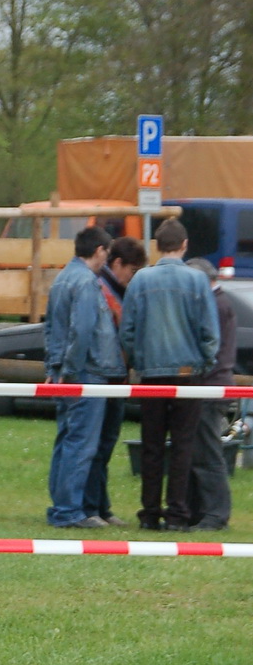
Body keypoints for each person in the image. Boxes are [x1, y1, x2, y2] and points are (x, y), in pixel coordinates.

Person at [119, 217, 219, 530]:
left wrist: (138, 360)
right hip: (187, 373)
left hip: (151, 373)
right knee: (182, 445)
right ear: (185, 245)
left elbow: (128, 331)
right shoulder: (198, 281)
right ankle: (177, 513)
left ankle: (149, 511)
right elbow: (209, 333)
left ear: (157, 246)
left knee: (151, 445)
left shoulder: (140, 281)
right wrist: (205, 362)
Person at [42, 225, 124, 529]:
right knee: (81, 444)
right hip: (87, 375)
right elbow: (83, 330)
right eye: (107, 252)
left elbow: (50, 329)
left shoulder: (62, 278)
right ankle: (68, 511)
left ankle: (62, 505)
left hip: (66, 374)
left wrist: (55, 369)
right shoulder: (88, 282)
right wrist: (73, 372)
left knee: (66, 441)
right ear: (100, 250)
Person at [83, 235, 147, 525]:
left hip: (116, 376)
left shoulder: (115, 288)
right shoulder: (102, 288)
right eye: (131, 271)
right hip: (105, 374)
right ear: (117, 263)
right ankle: (92, 507)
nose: (132, 278)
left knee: (106, 444)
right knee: (97, 445)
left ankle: (101, 506)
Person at [186, 258, 235, 531]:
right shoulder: (220, 303)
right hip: (212, 385)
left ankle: (215, 514)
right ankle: (200, 511)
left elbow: (210, 349)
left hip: (210, 386)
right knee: (201, 451)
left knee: (207, 453)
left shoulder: (215, 306)